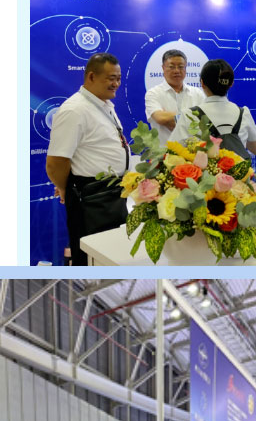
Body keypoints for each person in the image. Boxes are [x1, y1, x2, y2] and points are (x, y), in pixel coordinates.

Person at [46, 54, 130, 265]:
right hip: (92, 199)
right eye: (111, 78)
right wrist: (66, 188)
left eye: (119, 78)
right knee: (91, 257)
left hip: (112, 194)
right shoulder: (75, 110)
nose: (116, 84)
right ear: (91, 76)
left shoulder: (102, 104)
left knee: (111, 255)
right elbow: (56, 162)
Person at [171, 58, 256, 156]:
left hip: (203, 166)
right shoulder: (243, 113)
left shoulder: (190, 115)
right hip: (241, 166)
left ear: (202, 83)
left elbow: (173, 151)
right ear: (231, 84)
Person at [145, 48, 197, 134]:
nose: (176, 71)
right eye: (171, 67)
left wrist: (171, 119)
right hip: (165, 143)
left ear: (186, 68)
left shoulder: (197, 93)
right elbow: (160, 118)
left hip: (194, 143)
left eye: (181, 67)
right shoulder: (153, 93)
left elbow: (205, 121)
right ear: (163, 68)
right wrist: (193, 118)